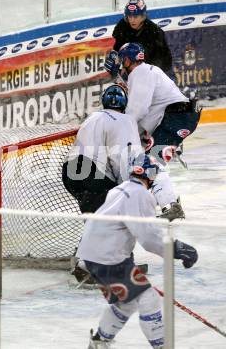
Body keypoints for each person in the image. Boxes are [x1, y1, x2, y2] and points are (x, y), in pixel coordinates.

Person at [76, 154, 198, 349]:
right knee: (148, 299)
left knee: (127, 303)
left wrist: (126, 258)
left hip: (93, 256)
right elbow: (149, 238)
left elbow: (117, 228)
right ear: (150, 175)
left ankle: (99, 343)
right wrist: (176, 248)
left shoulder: (119, 189)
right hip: (107, 258)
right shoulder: (141, 195)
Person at [62, 84, 182, 220]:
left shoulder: (91, 118)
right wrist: (128, 190)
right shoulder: (126, 120)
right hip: (93, 176)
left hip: (69, 174)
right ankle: (170, 205)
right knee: (155, 167)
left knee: (96, 223)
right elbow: (123, 157)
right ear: (124, 104)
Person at [117, 42, 201, 165]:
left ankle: (164, 161)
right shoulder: (146, 70)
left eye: (122, 59)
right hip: (182, 117)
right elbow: (146, 110)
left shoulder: (140, 73)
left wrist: (119, 131)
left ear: (128, 60)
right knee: (149, 157)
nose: (121, 64)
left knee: (149, 165)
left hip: (177, 119)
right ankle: (170, 150)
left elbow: (137, 111)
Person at [104, 0, 173, 78]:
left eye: (135, 16)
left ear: (143, 16)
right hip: (131, 73)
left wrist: (146, 72)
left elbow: (165, 61)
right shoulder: (122, 26)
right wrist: (115, 61)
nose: (132, 20)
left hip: (156, 75)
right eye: (129, 16)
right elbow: (118, 48)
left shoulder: (155, 32)